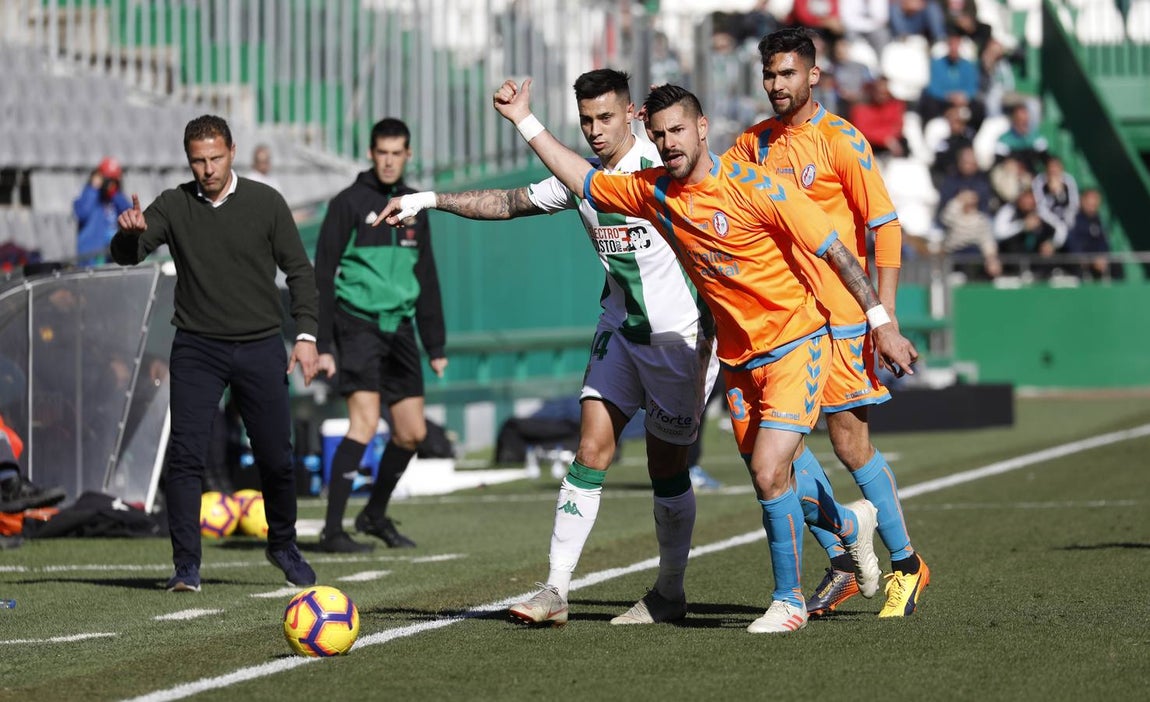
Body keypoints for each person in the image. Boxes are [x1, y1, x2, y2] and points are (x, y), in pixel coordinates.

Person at [485, 77, 919, 633]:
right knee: (772, 467)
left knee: (768, 470)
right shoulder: (652, 190)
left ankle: (788, 602)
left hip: (795, 341)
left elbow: (834, 249)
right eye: (659, 134)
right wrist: (524, 119)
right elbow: (579, 178)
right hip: (737, 357)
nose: (669, 143)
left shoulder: (757, 187)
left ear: (703, 128)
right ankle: (849, 530)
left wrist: (881, 322)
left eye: (678, 131)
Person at [379, 69, 720, 626]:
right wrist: (430, 198)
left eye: (606, 117)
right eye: (586, 120)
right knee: (590, 451)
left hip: (678, 341)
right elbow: (508, 201)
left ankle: (670, 591)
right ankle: (556, 590)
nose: (595, 130)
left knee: (668, 468)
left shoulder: (664, 169)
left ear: (634, 115)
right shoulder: (580, 177)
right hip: (620, 331)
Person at [724, 28, 930, 618]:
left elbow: (884, 228)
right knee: (771, 450)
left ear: (813, 76)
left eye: (787, 74)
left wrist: (881, 320)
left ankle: (907, 566)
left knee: (848, 441)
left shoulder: (841, 141)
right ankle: (843, 553)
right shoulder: (753, 145)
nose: (776, 85)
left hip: (839, 319)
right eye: (769, 75)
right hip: (779, 325)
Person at [110, 114, 320, 593]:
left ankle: (283, 543)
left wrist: (305, 336)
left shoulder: (267, 202)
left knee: (276, 457)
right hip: (197, 347)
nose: (207, 168)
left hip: (261, 343)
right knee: (184, 457)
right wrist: (128, 232)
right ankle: (186, 566)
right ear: (189, 160)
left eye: (215, 158)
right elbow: (128, 254)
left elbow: (300, 272)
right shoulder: (173, 204)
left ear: (232, 151)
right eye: (198, 161)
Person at [313, 118, 447, 554]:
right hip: (358, 326)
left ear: (408, 155)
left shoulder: (413, 205)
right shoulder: (347, 204)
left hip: (402, 329)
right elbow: (323, 275)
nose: (389, 161)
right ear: (371, 154)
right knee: (365, 423)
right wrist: (324, 343)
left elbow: (425, 274)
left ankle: (373, 514)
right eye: (382, 152)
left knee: (411, 433)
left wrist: (435, 344)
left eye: (397, 153)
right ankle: (333, 530)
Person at [73, 156, 132, 265]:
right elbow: (82, 213)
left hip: (113, 257)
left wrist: (115, 194)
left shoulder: (116, 199)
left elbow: (131, 215)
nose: (110, 183)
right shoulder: (88, 196)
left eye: (114, 180)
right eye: (108, 179)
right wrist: (93, 188)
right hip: (92, 259)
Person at [940, 189, 1001, 280]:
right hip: (954, 252)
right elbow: (945, 219)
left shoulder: (981, 219)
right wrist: (958, 200)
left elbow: (987, 240)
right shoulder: (954, 216)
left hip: (974, 252)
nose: (970, 201)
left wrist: (992, 259)